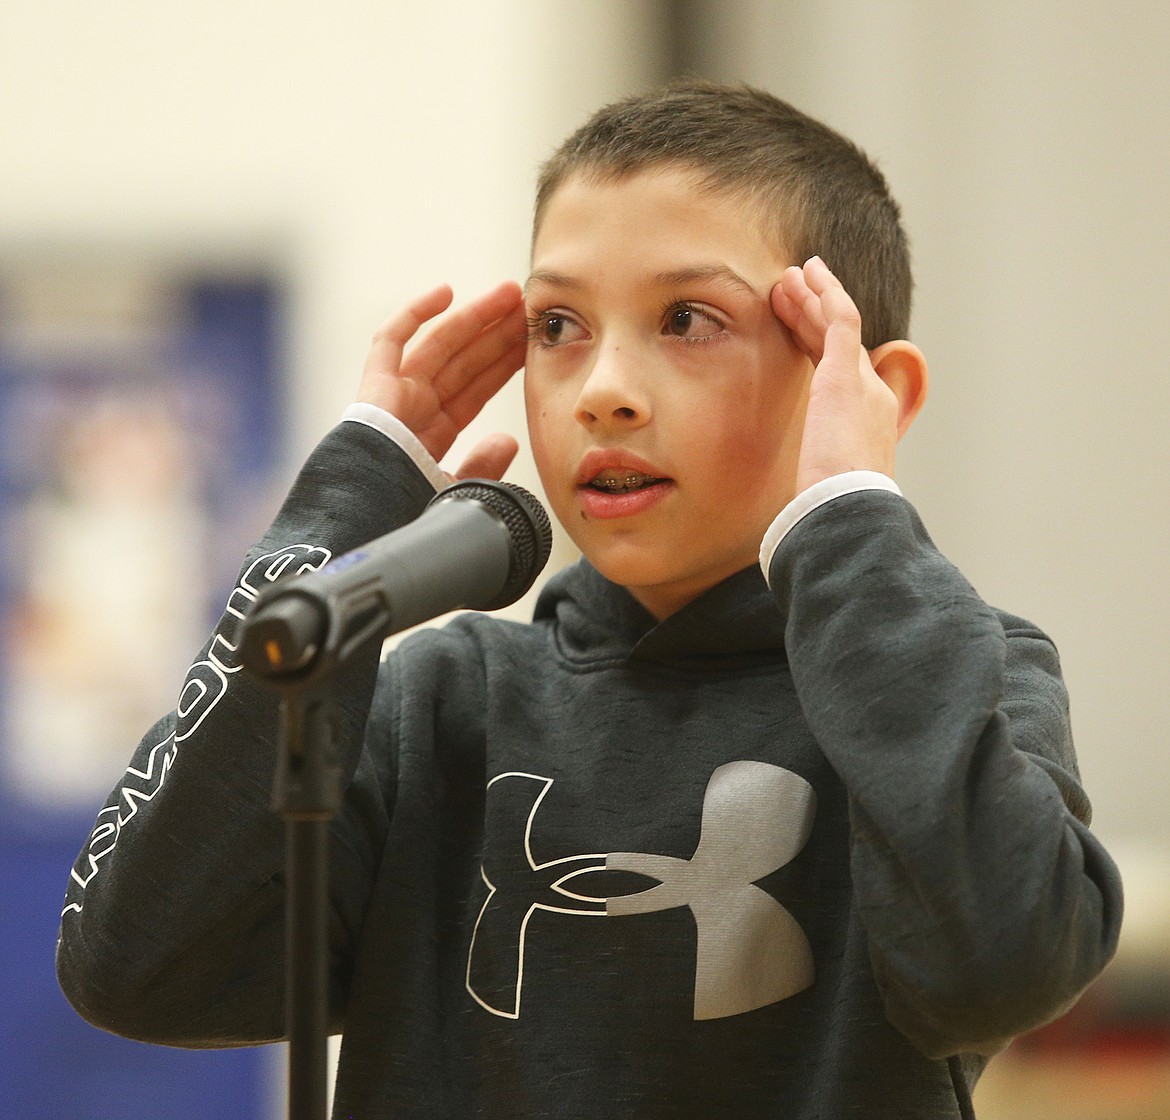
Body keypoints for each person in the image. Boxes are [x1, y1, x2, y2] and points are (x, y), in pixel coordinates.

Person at [57, 81, 1123, 1118]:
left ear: (870, 390)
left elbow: (1004, 962)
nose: (603, 385)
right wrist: (337, 514)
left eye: (689, 317)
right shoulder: (439, 702)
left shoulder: (956, 669)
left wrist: (849, 515)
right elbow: (134, 963)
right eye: (557, 325)